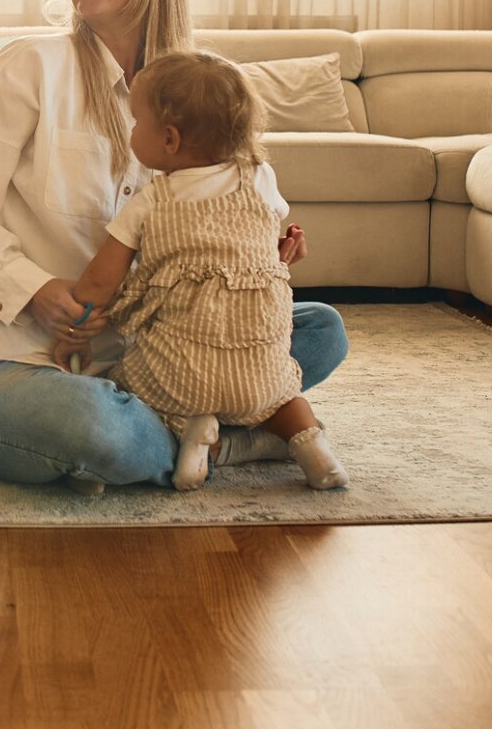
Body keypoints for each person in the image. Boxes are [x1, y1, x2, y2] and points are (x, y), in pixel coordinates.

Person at [0, 0, 349, 492]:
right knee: (99, 428)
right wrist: (35, 290)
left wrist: (264, 253)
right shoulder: (30, 66)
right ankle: (221, 441)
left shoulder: (206, 87)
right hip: (10, 364)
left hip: (158, 358)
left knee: (322, 330)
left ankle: (176, 433)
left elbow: (251, 195)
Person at [55, 50, 347, 491]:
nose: (132, 131)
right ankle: (311, 446)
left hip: (179, 372)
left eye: (136, 123)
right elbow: (253, 245)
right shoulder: (259, 177)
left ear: (170, 139)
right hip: (258, 370)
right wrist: (282, 251)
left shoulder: (153, 201)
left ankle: (192, 435)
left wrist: (75, 328)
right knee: (282, 389)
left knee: (126, 385)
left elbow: (100, 283)